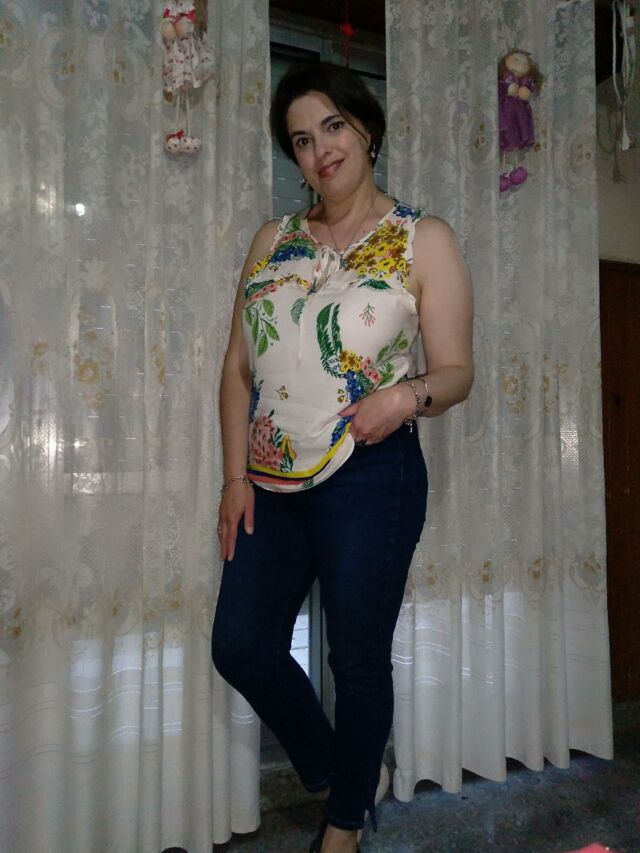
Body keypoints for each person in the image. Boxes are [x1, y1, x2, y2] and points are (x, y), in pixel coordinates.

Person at [211, 62, 473, 853]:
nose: (319, 149)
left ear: (365, 128)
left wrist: (407, 396)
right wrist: (233, 476)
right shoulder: (274, 240)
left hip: (372, 474)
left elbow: (458, 371)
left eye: (332, 126)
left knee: (356, 657)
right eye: (300, 139)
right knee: (241, 644)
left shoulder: (422, 238)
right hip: (271, 477)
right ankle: (341, 771)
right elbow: (237, 368)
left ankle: (344, 825)